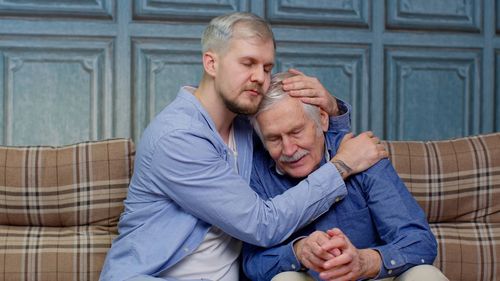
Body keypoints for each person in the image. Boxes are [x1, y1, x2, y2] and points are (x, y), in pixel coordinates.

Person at [99, 12, 387, 281]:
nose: (260, 77)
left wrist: (331, 108)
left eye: (267, 67)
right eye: (247, 63)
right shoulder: (177, 137)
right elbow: (261, 225)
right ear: (211, 63)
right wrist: (342, 167)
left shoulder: (247, 127)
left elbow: (307, 140)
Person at [242, 72, 448, 281]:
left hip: (371, 276)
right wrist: (299, 251)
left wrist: (363, 262)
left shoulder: (361, 154)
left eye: (296, 132)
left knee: (426, 275)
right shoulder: (257, 174)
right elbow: (252, 263)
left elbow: (420, 241)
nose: (288, 149)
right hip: (310, 277)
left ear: (323, 119)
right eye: (274, 139)